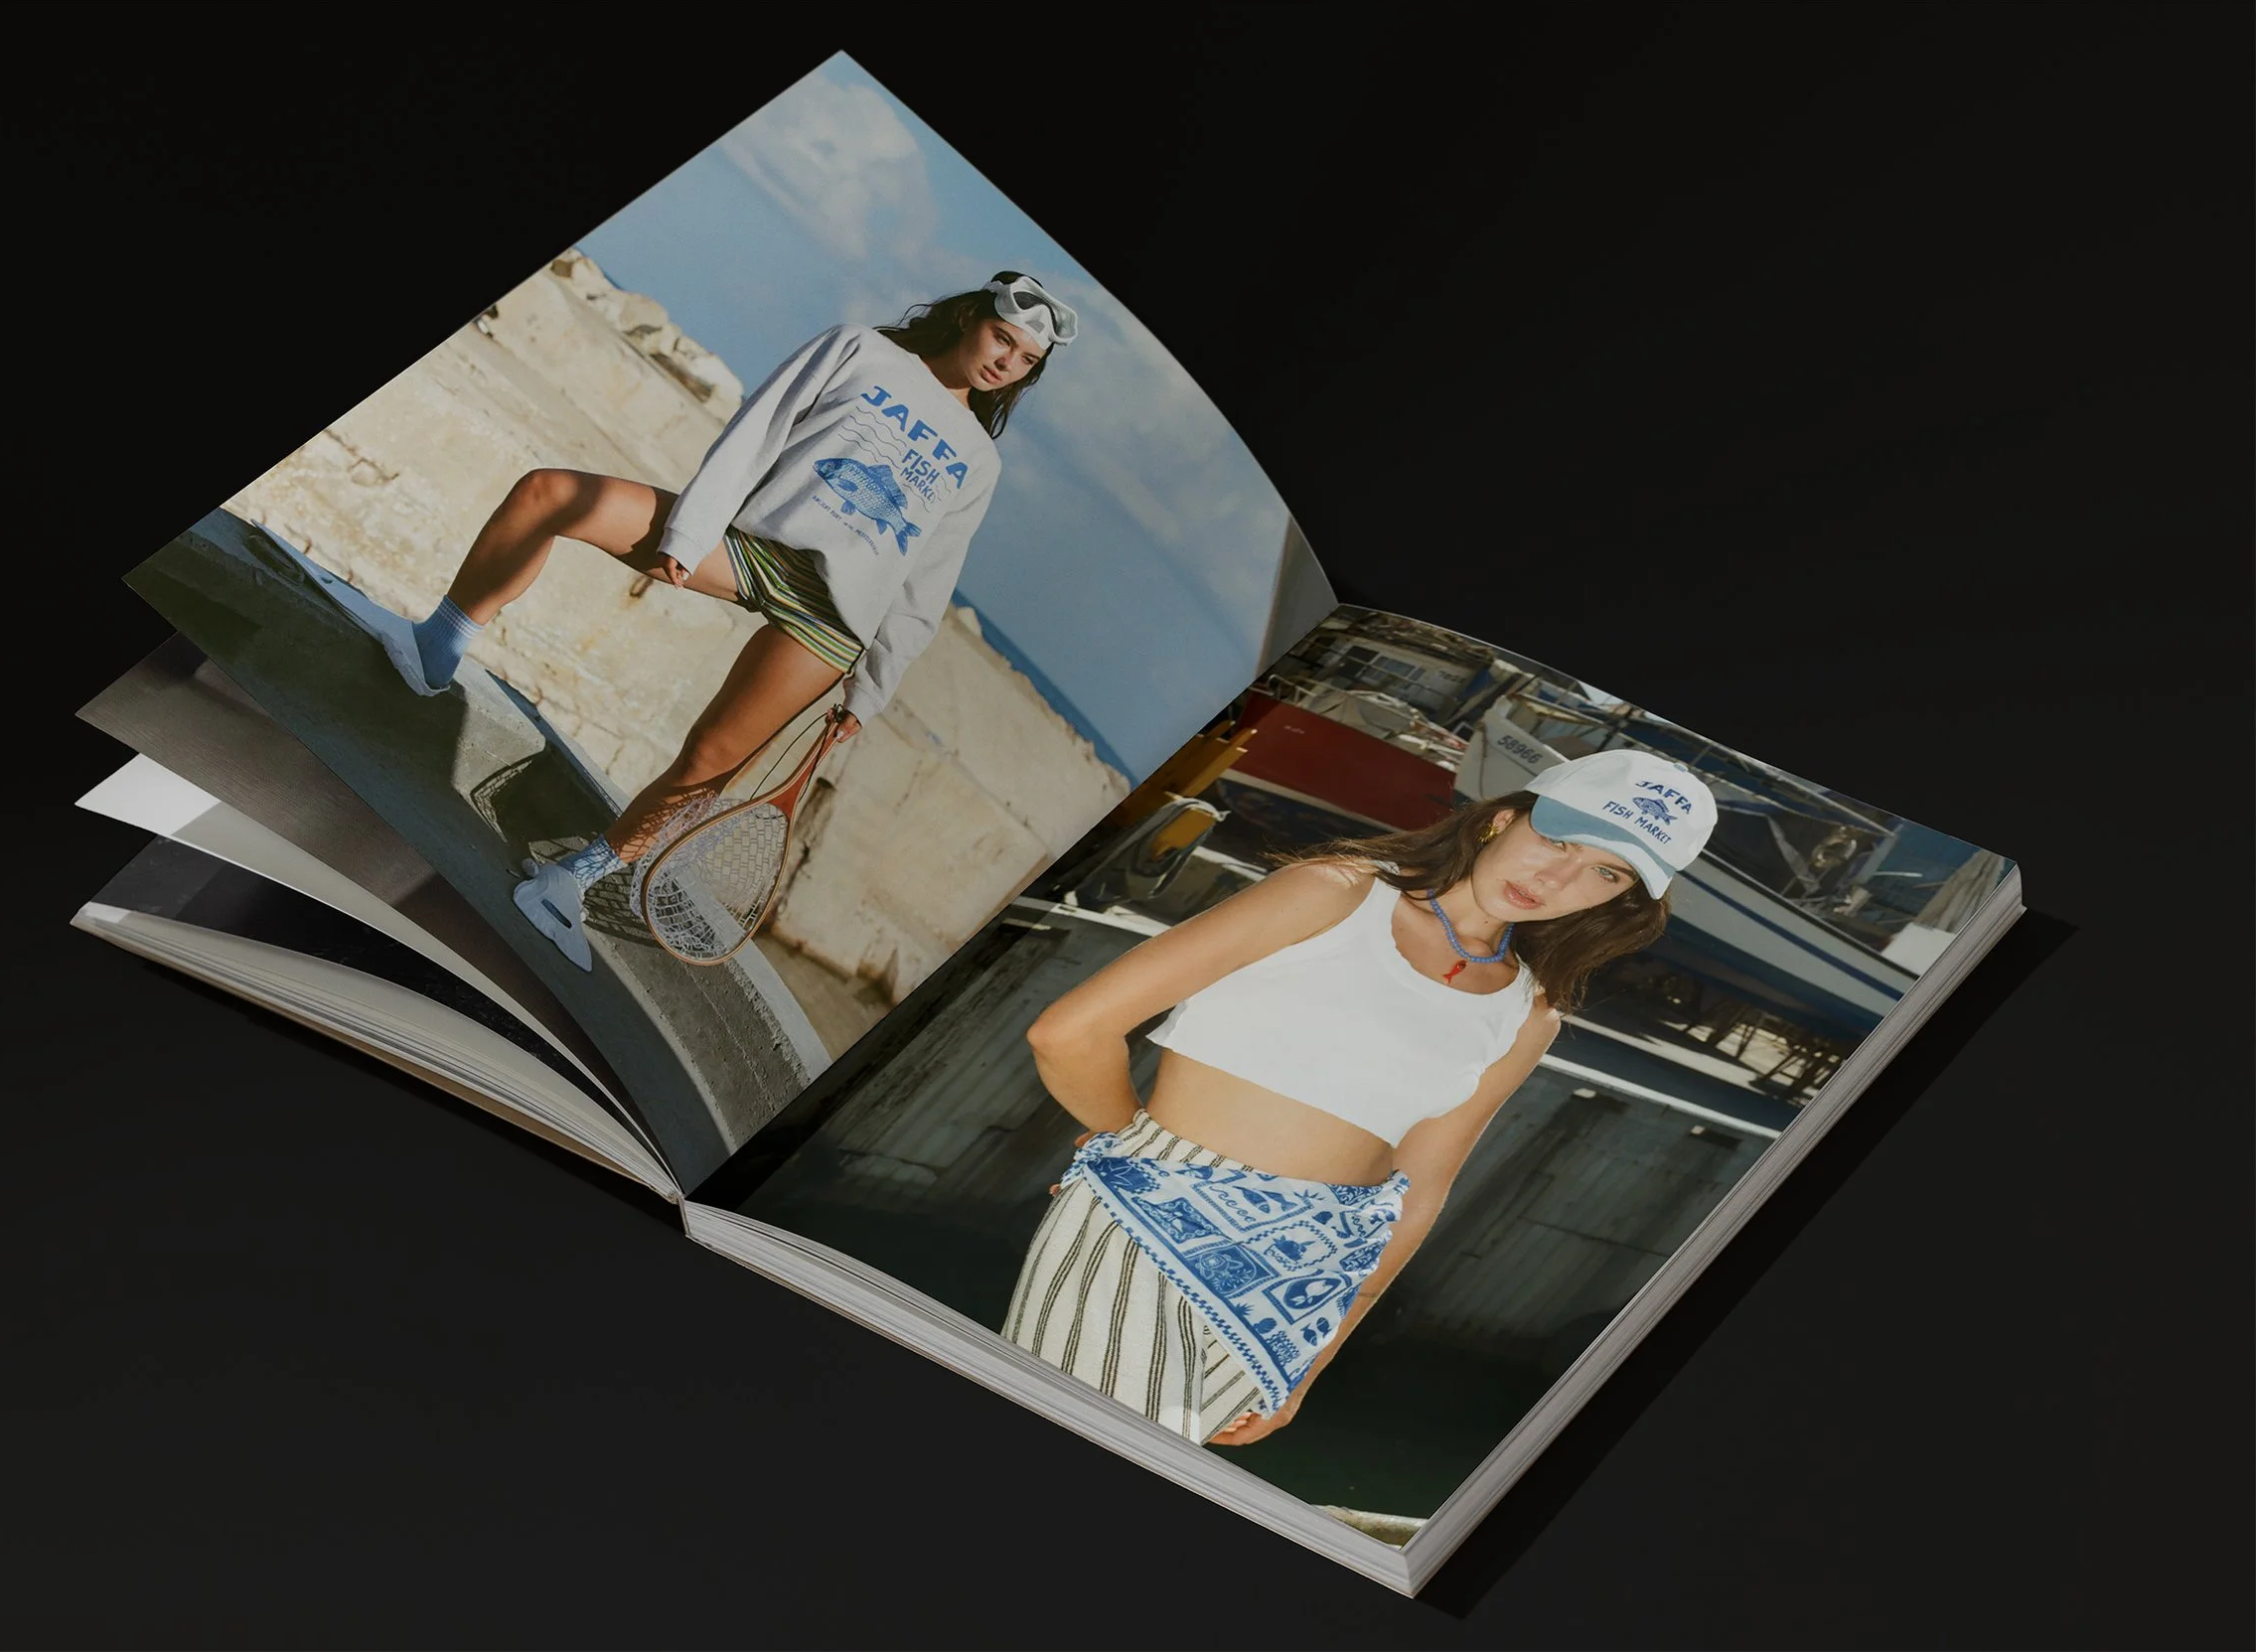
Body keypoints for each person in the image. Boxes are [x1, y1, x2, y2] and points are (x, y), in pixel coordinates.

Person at [355, 272, 1078, 969]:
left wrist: (873, 688)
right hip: (747, 547)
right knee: (547, 494)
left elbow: (928, 579)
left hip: (833, 620)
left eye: (1025, 362)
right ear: (969, 317)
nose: (1005, 363)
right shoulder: (862, 349)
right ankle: (436, 650)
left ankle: (572, 881)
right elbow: (755, 431)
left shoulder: (979, 462)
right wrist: (690, 531)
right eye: (1001, 339)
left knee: (709, 763)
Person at [1001, 749, 1719, 1446]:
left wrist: (1316, 1360)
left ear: (1619, 897)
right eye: (1558, 838)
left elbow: (1421, 1188)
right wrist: (1132, 1146)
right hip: (1153, 1218)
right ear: (1504, 819)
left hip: (1304, 1286)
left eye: (1605, 871)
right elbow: (1069, 1032)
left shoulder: (1529, 1015)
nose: (1558, 877)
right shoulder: (1335, 892)